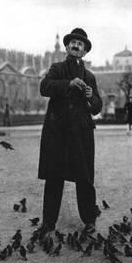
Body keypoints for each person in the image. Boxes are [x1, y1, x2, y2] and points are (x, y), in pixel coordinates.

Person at [38, 27, 102, 234]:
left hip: (81, 132)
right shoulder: (56, 69)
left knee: (84, 178)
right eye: (73, 42)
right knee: (54, 178)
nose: (76, 45)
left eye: (80, 44)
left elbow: (97, 107)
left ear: (84, 52)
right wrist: (68, 83)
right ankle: (48, 223)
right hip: (58, 132)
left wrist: (91, 96)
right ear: (67, 47)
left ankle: (89, 220)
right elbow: (44, 87)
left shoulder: (90, 76)